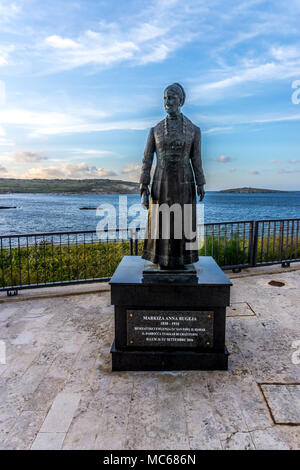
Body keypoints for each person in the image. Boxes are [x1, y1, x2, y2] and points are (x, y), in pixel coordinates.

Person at [139, 83, 205, 268]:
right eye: (165, 98)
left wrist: (201, 182)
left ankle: (182, 260)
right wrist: (143, 185)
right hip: (161, 183)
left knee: (182, 222)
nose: (167, 102)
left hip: (185, 182)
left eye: (171, 98)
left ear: (181, 100)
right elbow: (146, 160)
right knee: (161, 222)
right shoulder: (155, 130)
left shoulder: (194, 130)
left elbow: (196, 159)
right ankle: (160, 259)